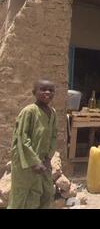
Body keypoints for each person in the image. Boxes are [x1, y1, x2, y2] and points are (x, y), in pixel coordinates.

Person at [8, 79, 57, 209]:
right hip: (26, 163)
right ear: (34, 92)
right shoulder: (29, 111)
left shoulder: (53, 113)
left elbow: (53, 137)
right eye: (43, 89)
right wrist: (34, 161)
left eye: (51, 90)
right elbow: (22, 138)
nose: (47, 92)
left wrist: (48, 158)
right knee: (22, 196)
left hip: (44, 162)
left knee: (45, 193)